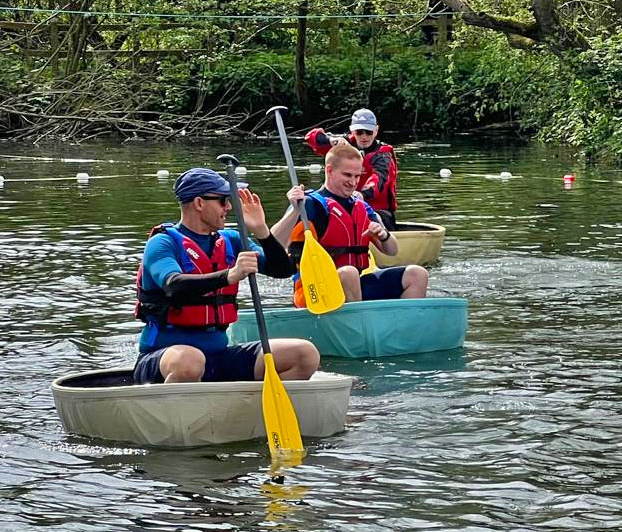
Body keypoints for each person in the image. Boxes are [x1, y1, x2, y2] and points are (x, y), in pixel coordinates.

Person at [133, 168, 320, 385]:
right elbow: (173, 285)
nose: (229, 207)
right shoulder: (163, 242)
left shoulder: (231, 240)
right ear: (199, 203)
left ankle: (251, 414)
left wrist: (262, 232)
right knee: (190, 362)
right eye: (223, 201)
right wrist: (229, 275)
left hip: (218, 355)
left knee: (304, 355)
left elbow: (282, 270)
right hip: (165, 358)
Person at [271, 142, 428, 306]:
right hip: (315, 291)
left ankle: (405, 328)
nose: (353, 182)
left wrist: (383, 235)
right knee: (349, 273)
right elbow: (272, 243)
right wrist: (295, 210)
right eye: (347, 175)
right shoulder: (308, 205)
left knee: (417, 274)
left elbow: (392, 250)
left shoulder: (361, 206)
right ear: (329, 170)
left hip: (355, 285)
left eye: (357, 176)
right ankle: (358, 328)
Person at [304, 108, 398, 229]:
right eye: (359, 132)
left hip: (377, 209)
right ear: (352, 130)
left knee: (374, 218)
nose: (364, 137)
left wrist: (362, 194)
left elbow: (378, 178)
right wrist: (330, 140)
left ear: (376, 130)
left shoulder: (383, 154)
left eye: (368, 132)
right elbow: (310, 137)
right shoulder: (342, 143)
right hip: (343, 205)